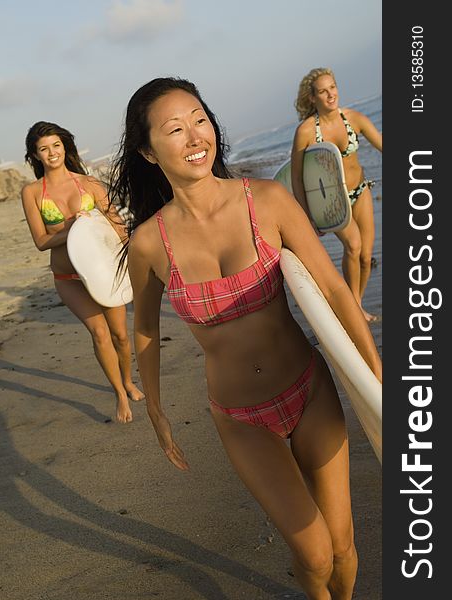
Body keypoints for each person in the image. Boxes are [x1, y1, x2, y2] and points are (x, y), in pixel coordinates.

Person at [109, 77, 382, 599]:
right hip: (240, 417)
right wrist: (156, 410)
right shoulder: (149, 242)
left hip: (310, 390)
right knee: (314, 553)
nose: (195, 137)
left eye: (200, 120)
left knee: (343, 547)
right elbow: (145, 328)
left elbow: (333, 290)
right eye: (175, 129)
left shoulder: (269, 200)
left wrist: (378, 381)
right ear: (147, 151)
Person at [21, 121, 144, 423]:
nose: (51, 153)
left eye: (56, 146)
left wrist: (134, 260)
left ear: (65, 147)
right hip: (68, 278)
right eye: (44, 149)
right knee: (100, 334)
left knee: (120, 336)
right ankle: (118, 393)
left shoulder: (89, 184)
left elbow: (116, 225)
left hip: (105, 272)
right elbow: (40, 241)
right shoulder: (33, 192)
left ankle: (128, 380)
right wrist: (77, 227)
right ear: (35, 155)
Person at [291, 67, 382, 322]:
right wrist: (307, 215)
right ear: (312, 98)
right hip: (331, 200)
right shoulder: (307, 131)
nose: (331, 95)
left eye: (333, 87)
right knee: (353, 246)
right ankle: (353, 310)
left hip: (360, 191)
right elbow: (297, 176)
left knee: (365, 256)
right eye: (323, 91)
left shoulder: (354, 118)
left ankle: (357, 304)